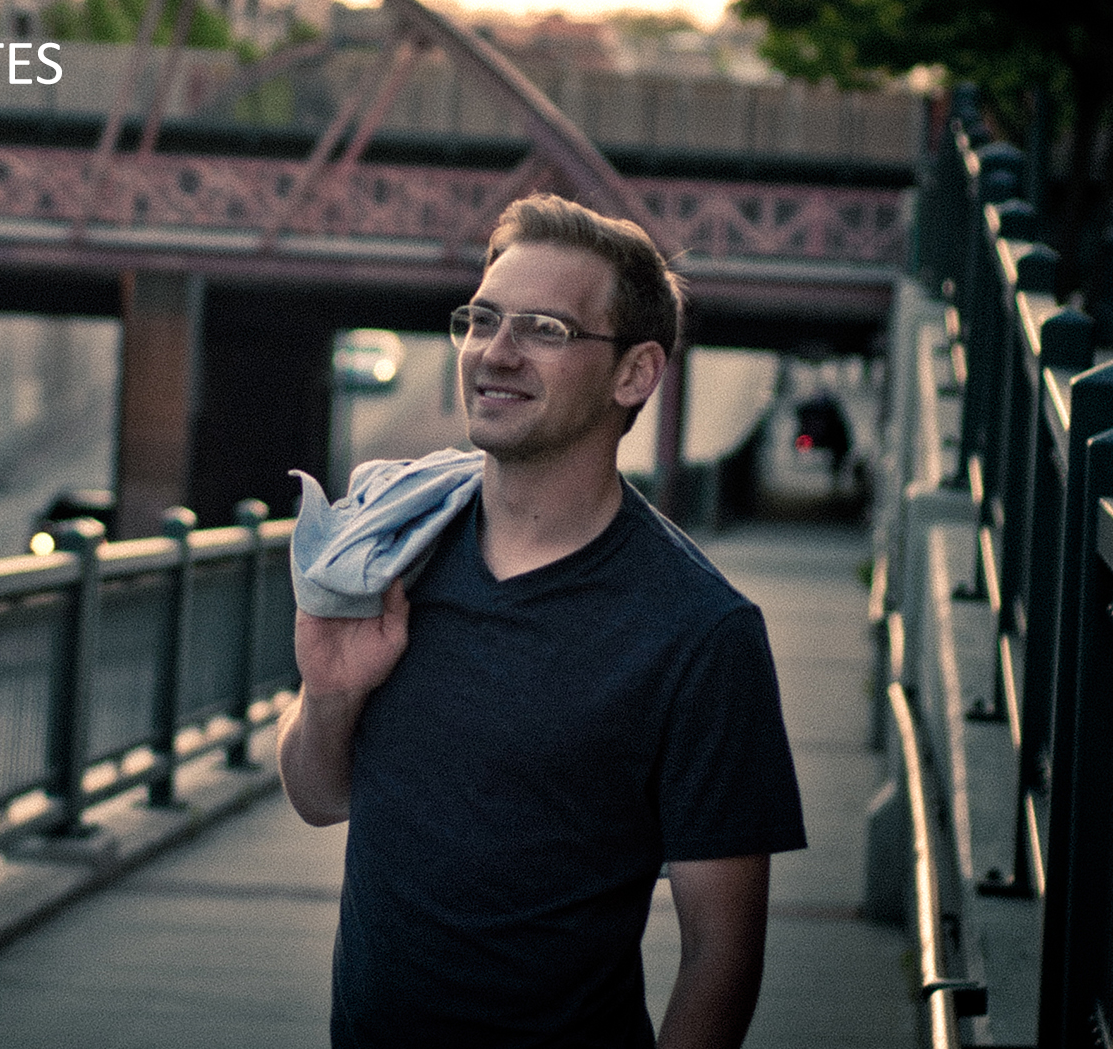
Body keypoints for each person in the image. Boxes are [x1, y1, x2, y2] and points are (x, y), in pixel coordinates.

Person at [277, 193, 805, 1048]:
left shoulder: (700, 633)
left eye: (546, 330)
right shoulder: (392, 554)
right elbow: (317, 797)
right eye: (482, 319)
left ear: (634, 374)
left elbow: (722, 952)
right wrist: (331, 695)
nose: (497, 352)